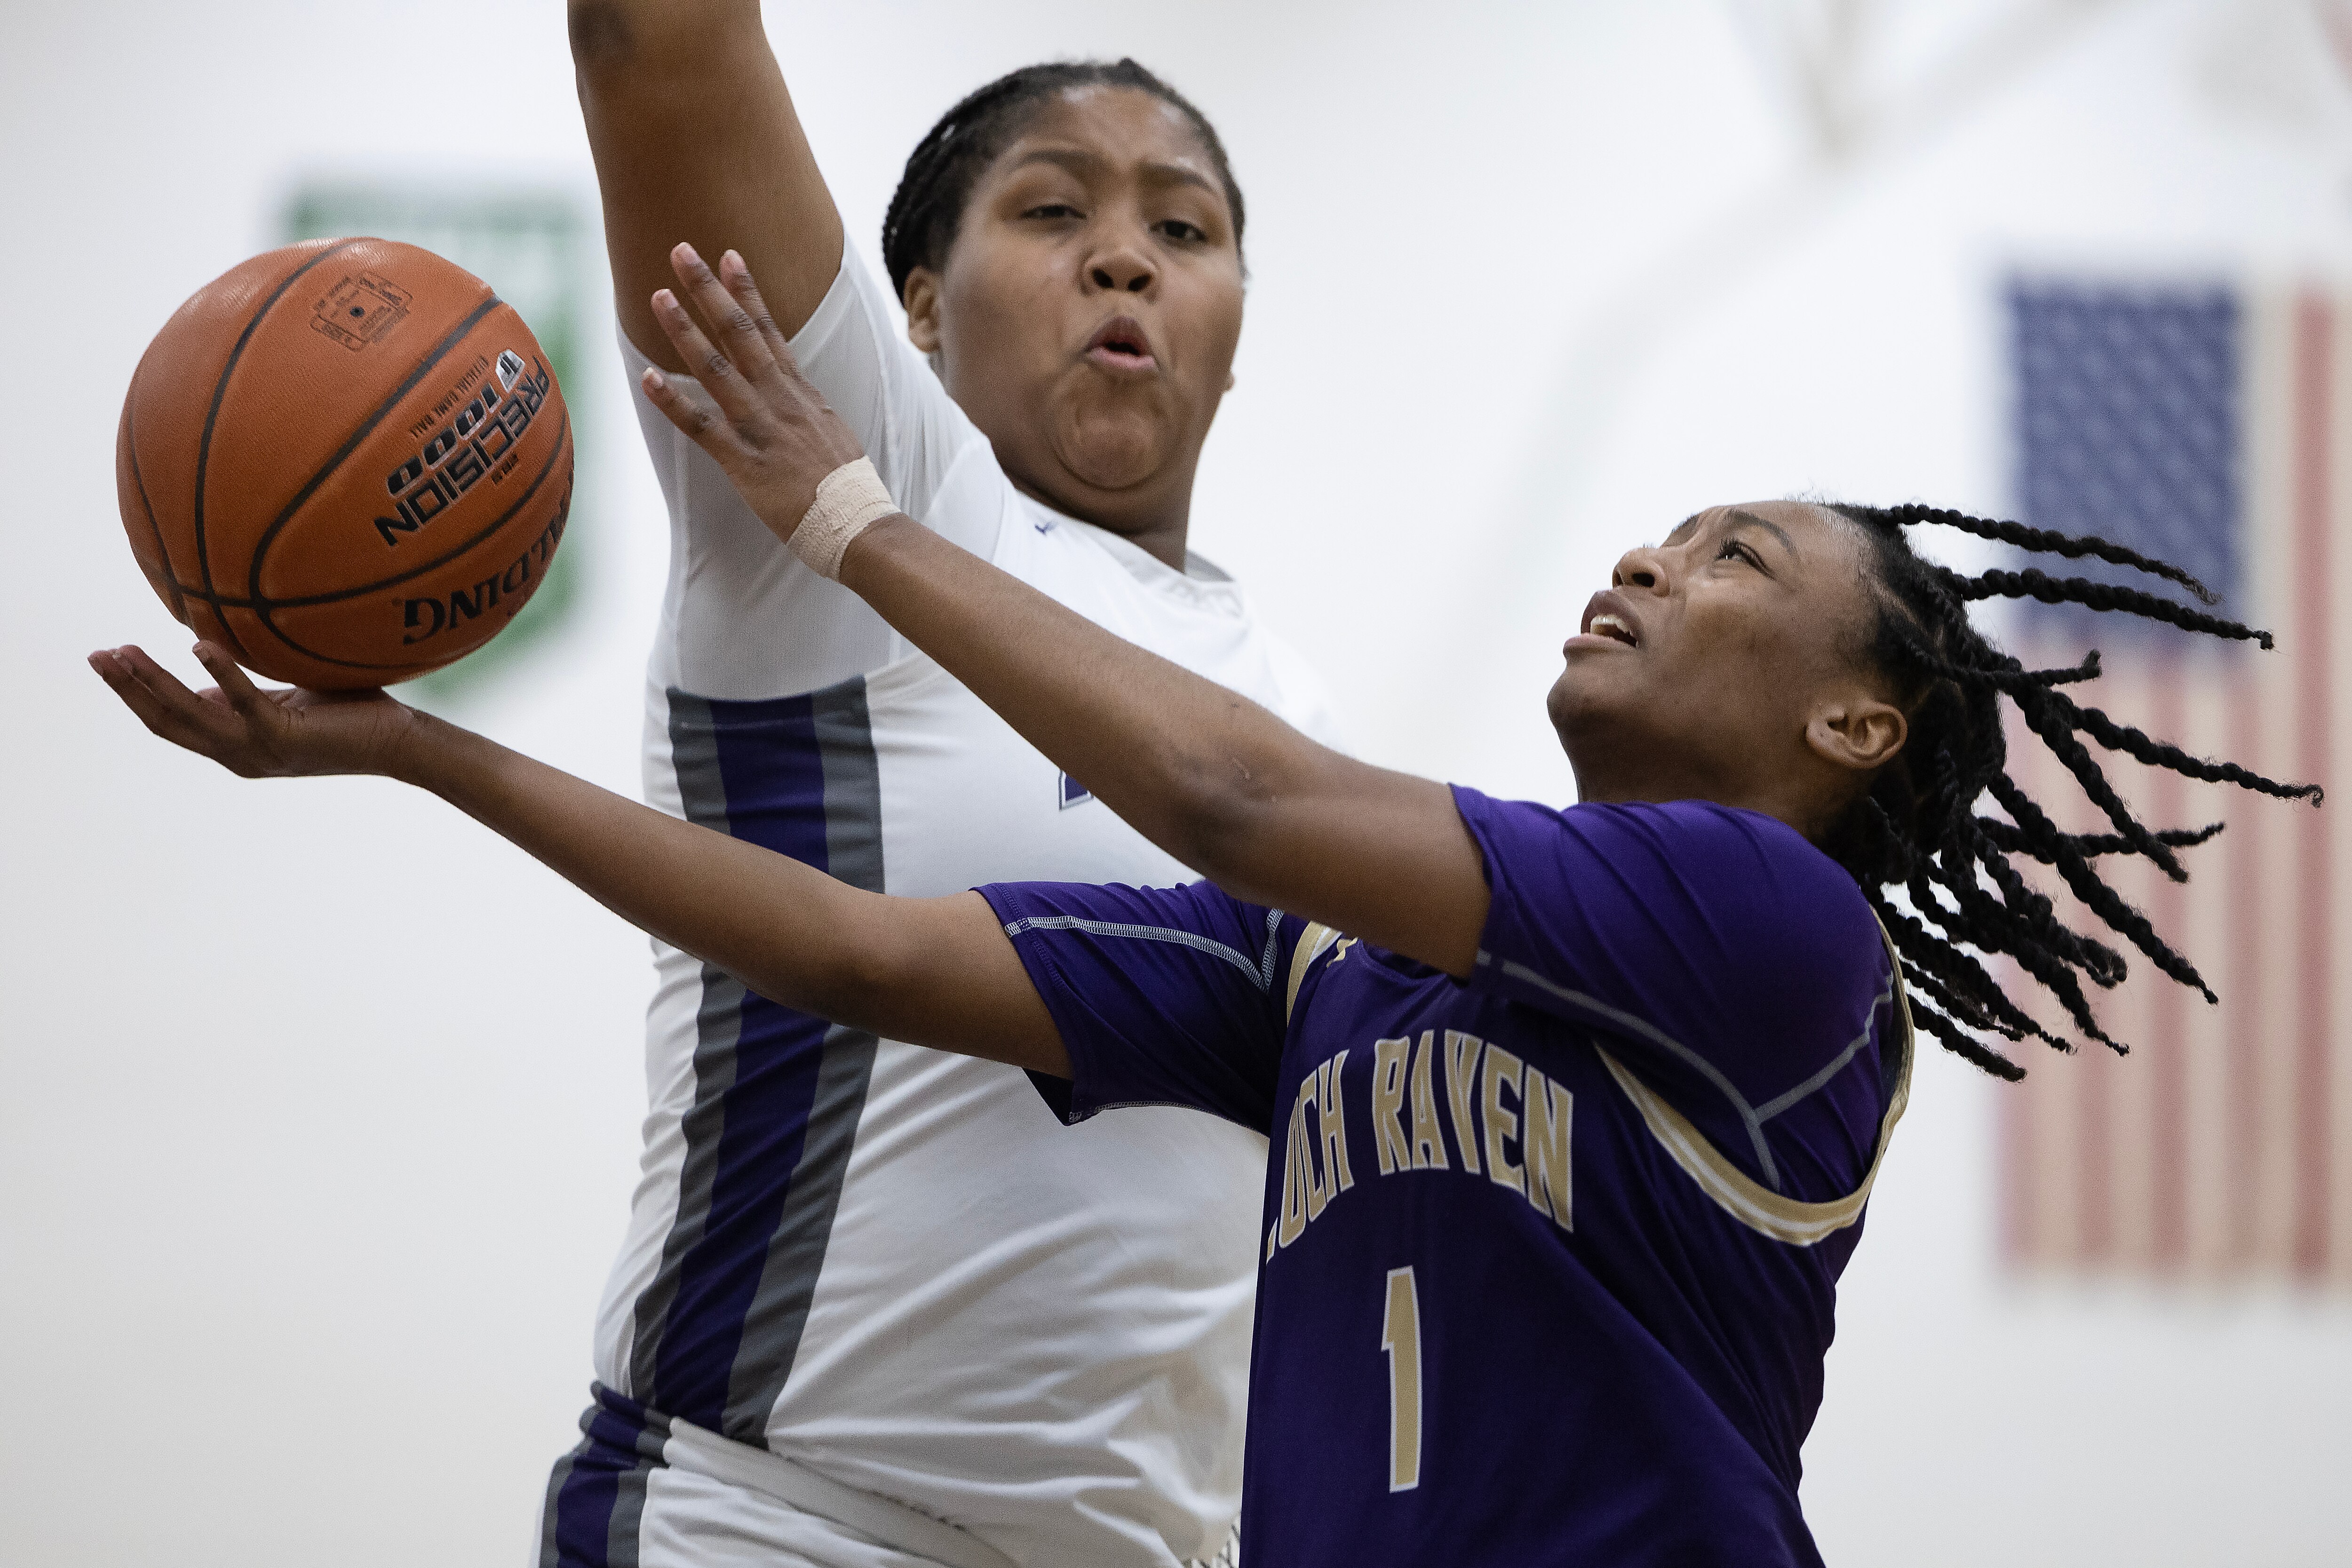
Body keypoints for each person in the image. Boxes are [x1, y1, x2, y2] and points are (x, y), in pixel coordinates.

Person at [91, 251, 2319, 1565]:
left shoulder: (1777, 949)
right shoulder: (1354, 975)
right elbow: (855, 954)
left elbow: (1235, 789)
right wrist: (415, 751)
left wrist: (852, 514)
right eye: (1657, 530)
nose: (1647, 560)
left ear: (1852, 731)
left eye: (1731, 557)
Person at [557, 5, 1341, 1563]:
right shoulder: (875, 492)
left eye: (1183, 229)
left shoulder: (1284, 701)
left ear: (1238, 332)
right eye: (1055, 209)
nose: (1127, 258)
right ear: (914, 310)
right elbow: (658, 41)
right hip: (781, 1523)